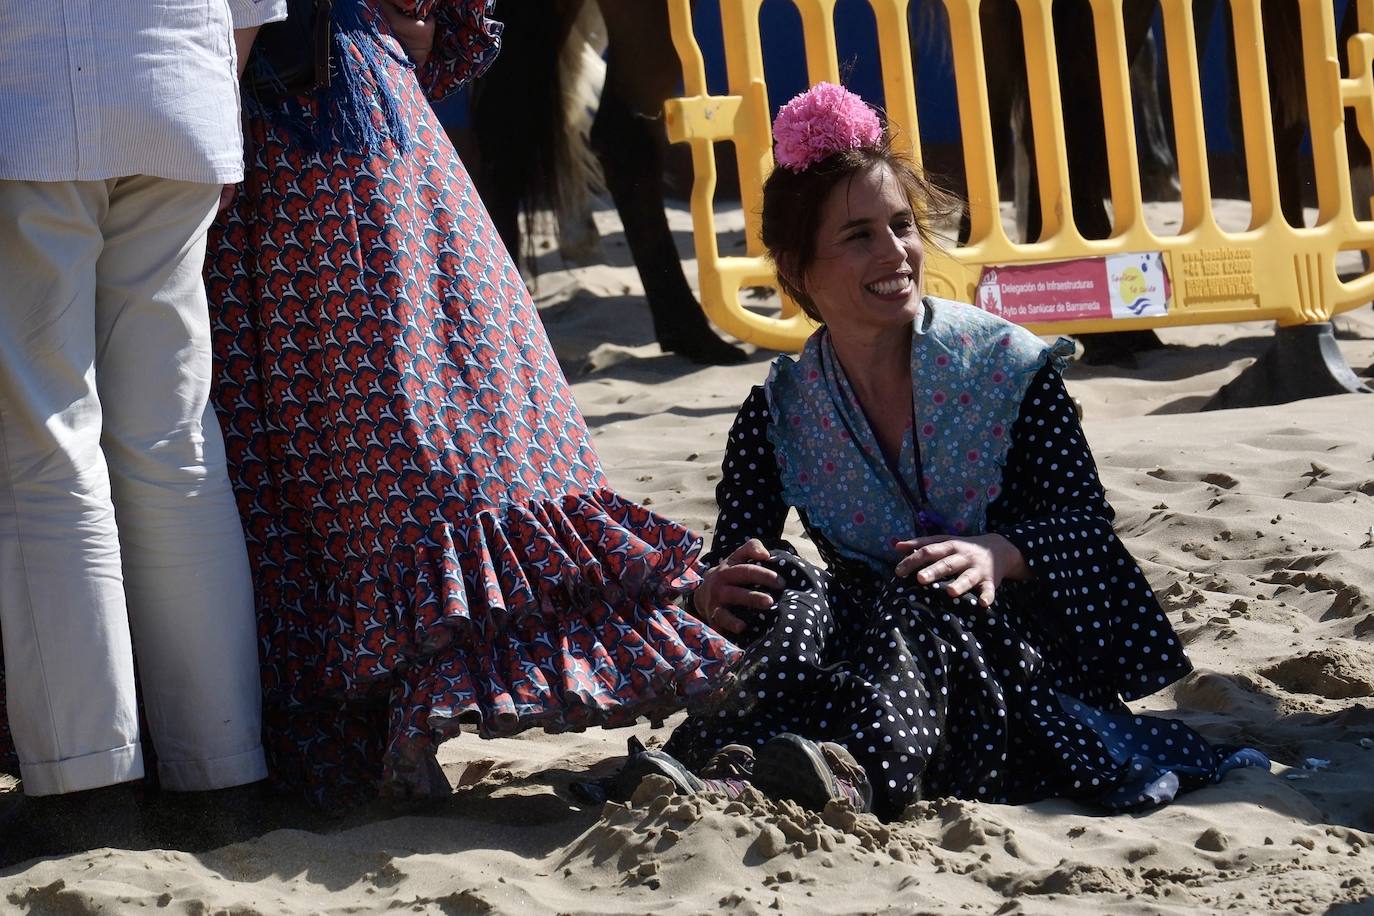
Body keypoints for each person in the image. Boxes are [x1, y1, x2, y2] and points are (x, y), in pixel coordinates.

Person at [626, 83, 1268, 821]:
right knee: (787, 587)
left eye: (901, 225)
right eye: (859, 235)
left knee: (927, 585)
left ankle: (853, 775)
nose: (896, 251)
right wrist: (715, 591)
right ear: (799, 271)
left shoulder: (1003, 369)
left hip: (1002, 658)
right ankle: (724, 763)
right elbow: (738, 555)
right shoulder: (780, 411)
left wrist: (996, 551)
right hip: (860, 651)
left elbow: (1085, 526)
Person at [203, 0, 740, 807]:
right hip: (322, 117)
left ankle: (321, 719)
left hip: (275, 115)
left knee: (337, 428)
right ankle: (363, 713)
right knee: (395, 421)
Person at [0, 1, 278, 817]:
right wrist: (209, 96)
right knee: (173, 446)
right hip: (180, 96)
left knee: (47, 442)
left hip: (31, 97)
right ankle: (222, 770)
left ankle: (88, 783)